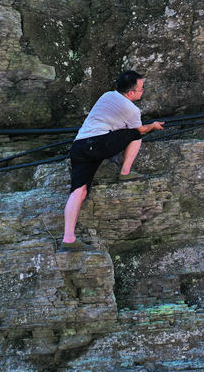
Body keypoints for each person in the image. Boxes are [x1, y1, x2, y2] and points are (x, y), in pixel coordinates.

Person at [61, 70, 164, 251]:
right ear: (131, 93)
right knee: (136, 133)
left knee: (79, 191)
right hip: (97, 144)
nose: (143, 91)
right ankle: (125, 172)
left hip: (79, 146)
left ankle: (68, 238)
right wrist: (153, 126)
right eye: (141, 88)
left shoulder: (107, 95)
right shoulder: (132, 109)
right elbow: (139, 129)